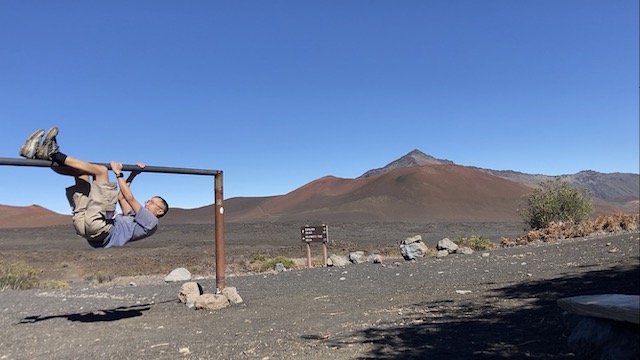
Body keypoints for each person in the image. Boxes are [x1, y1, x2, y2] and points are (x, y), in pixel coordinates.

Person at [19, 127, 169, 248]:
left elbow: (130, 197)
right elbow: (122, 197)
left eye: (152, 202)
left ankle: (53, 153)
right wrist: (133, 175)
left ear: (159, 211)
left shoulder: (151, 221)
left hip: (101, 227)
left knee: (101, 171)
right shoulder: (136, 219)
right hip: (89, 228)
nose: (147, 202)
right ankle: (40, 156)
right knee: (82, 174)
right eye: (149, 199)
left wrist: (118, 174)